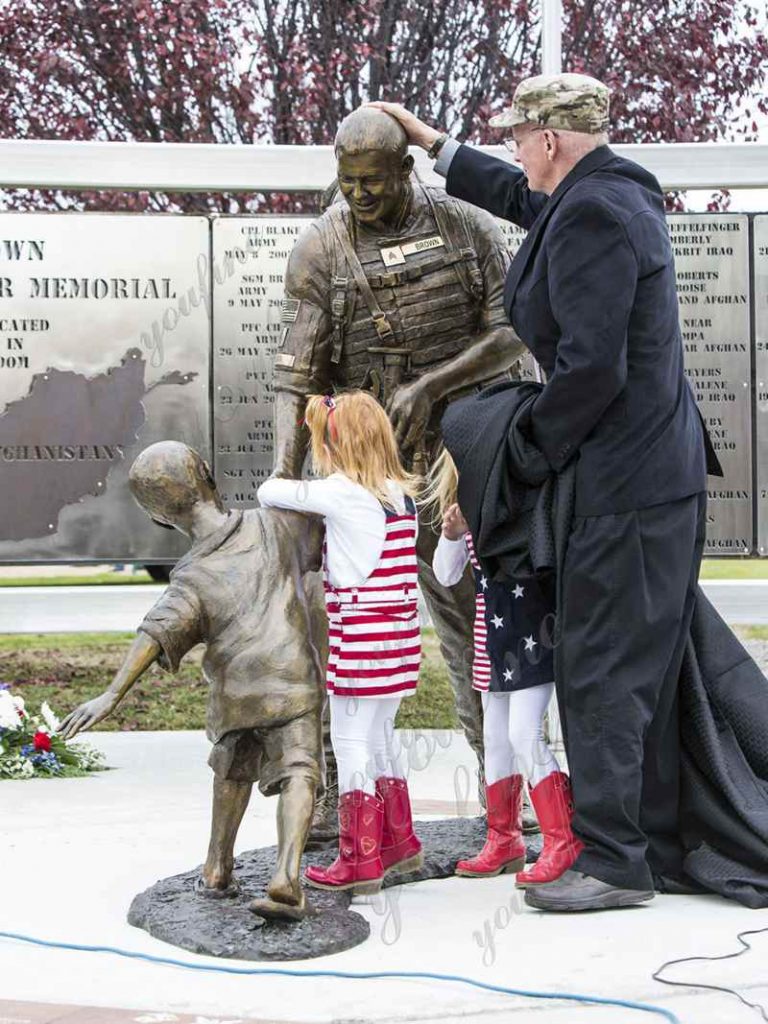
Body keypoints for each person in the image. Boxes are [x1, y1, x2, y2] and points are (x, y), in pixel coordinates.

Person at [372, 72, 723, 912]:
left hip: (625, 486)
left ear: (551, 141)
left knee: (601, 668)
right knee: (636, 661)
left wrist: (517, 453)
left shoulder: (597, 213)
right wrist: (433, 144)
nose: (512, 152)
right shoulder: (601, 193)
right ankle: (661, 839)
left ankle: (612, 864)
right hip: (643, 478)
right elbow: (528, 203)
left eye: (517, 139)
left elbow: (592, 370)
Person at [271, 106, 527, 841]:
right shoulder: (320, 249)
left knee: (479, 622)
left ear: (406, 170)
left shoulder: (465, 227)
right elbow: (297, 377)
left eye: (374, 182)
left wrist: (433, 384)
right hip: (365, 475)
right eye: (347, 182)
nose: (359, 195)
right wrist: (293, 500)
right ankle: (326, 799)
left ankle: (505, 790)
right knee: (336, 633)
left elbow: (514, 330)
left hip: (462, 463)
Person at [58, 441, 325, 921]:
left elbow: (155, 632)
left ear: (158, 519)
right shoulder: (274, 523)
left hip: (237, 695)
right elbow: (327, 535)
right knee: (299, 772)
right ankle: (287, 875)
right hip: (294, 679)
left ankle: (217, 867)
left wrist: (113, 693)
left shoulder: (190, 576)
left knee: (230, 772)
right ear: (207, 473)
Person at [258, 390, 424, 895]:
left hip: (363, 633)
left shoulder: (341, 493)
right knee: (381, 738)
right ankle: (398, 843)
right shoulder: (401, 493)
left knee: (350, 743)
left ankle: (360, 859)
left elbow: (270, 491)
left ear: (338, 443)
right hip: (399, 635)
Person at [429, 448, 580, 885]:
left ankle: (561, 838)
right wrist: (453, 534)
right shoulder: (466, 513)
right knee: (496, 740)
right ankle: (504, 839)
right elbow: (445, 574)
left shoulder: (519, 504)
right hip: (492, 641)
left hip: (532, 636)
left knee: (522, 734)